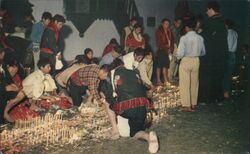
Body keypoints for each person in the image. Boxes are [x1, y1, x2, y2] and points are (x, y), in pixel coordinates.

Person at [108, 64, 159, 153]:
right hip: (142, 106)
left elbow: (111, 94)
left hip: (127, 107)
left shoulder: (114, 75)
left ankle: (115, 130)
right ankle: (149, 138)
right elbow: (147, 89)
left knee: (108, 103)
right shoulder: (135, 73)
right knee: (135, 131)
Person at [199, 1, 228, 103]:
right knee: (218, 78)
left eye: (207, 10)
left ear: (211, 9)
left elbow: (204, 38)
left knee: (208, 78)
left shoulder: (210, 22)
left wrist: (199, 33)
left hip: (210, 56)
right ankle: (219, 98)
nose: (206, 12)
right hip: (221, 56)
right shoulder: (222, 21)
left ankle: (208, 99)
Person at [176, 18, 206, 112]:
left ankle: (186, 105)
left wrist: (177, 58)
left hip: (186, 60)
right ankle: (193, 103)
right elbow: (203, 52)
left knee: (185, 84)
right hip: (196, 60)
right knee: (194, 83)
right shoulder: (200, 38)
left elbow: (180, 53)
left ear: (187, 28)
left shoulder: (184, 38)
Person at [155, 18, 174, 85]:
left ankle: (165, 79)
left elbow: (172, 42)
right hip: (161, 50)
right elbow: (159, 43)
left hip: (167, 51)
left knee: (165, 65)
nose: (167, 25)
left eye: (168, 24)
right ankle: (158, 80)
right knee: (159, 66)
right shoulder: (159, 31)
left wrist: (171, 49)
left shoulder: (169, 31)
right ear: (162, 24)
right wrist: (166, 48)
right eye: (166, 24)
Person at [223, 19, 238, 99]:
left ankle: (224, 92)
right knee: (229, 74)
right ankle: (227, 92)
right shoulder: (235, 33)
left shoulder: (227, 33)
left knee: (224, 74)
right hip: (233, 54)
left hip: (227, 54)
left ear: (226, 25)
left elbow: (226, 45)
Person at [168, 18, 182, 83]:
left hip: (176, 46)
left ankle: (172, 76)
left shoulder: (177, 29)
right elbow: (174, 39)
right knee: (173, 62)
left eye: (180, 23)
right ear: (174, 22)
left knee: (176, 62)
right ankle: (170, 77)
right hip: (174, 46)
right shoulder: (172, 29)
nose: (179, 24)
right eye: (178, 22)